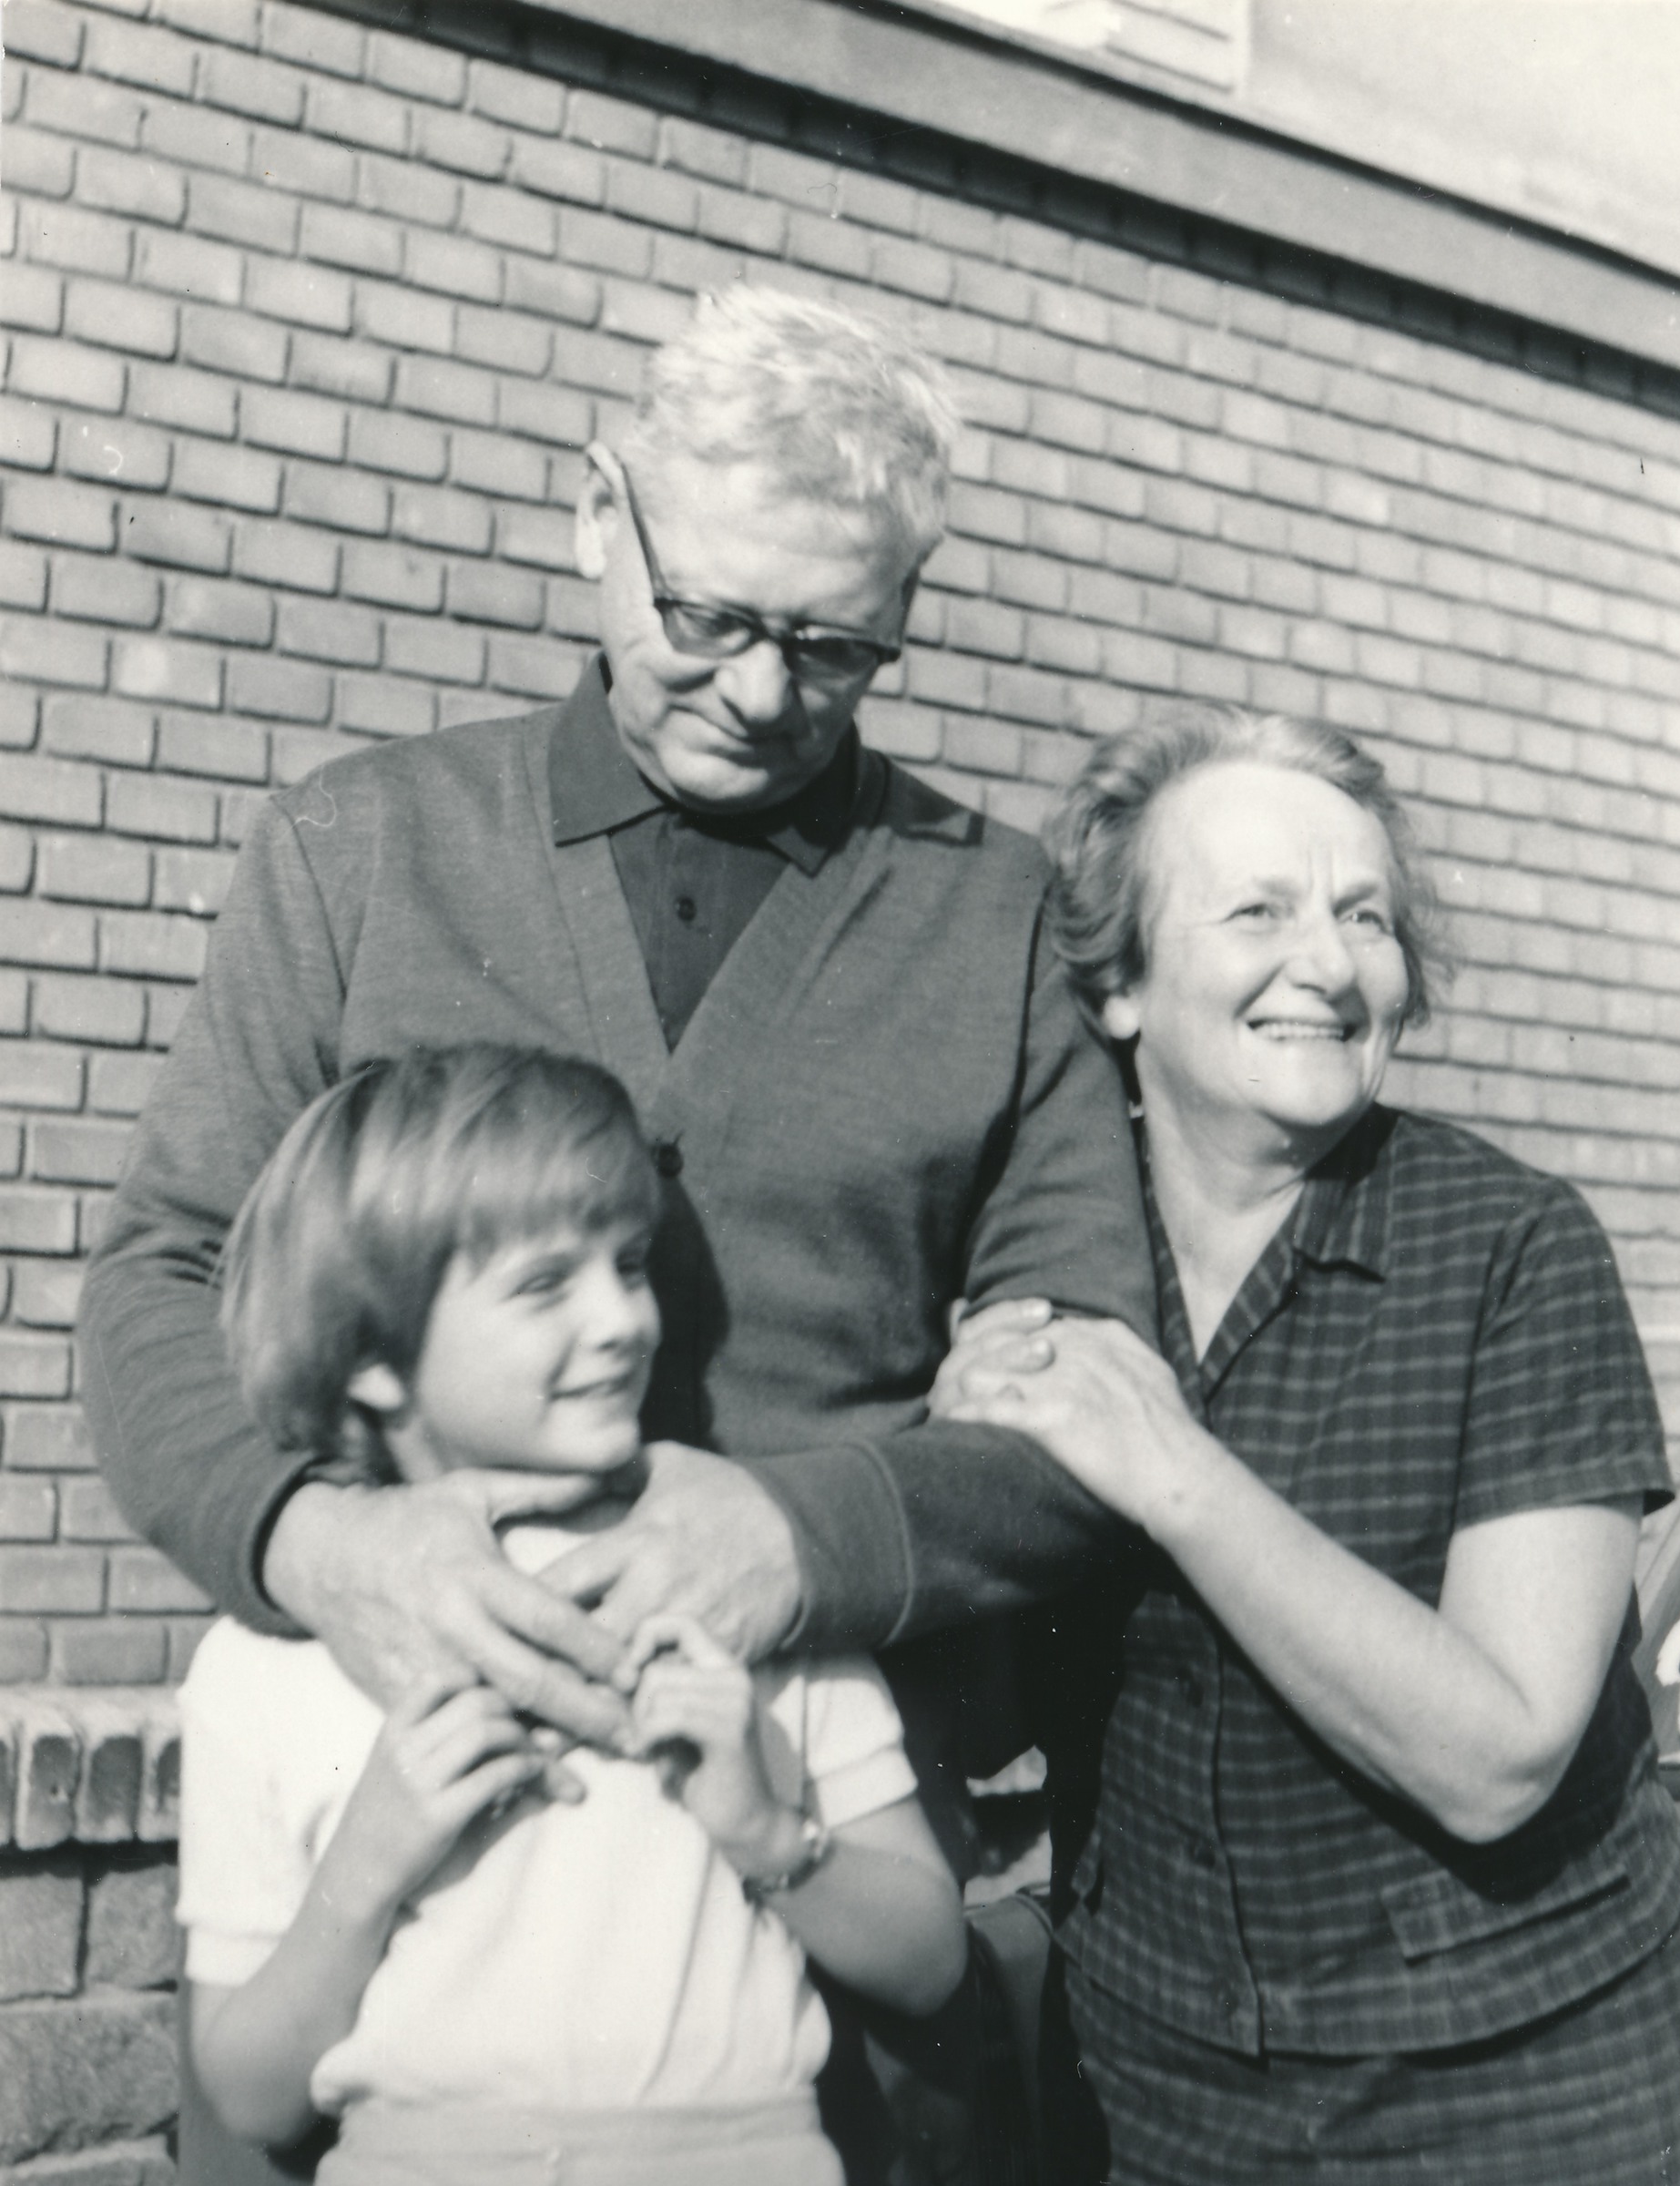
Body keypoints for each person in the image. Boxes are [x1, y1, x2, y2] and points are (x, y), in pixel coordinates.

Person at [78, 286, 1156, 2182]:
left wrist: (797, 1539)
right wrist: (315, 1542)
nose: (762, 692)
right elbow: (162, 1283)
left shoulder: (993, 918)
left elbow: (1098, 1399)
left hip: (831, 1925)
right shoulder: (360, 848)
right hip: (393, 1927)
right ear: (599, 514)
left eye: (836, 646)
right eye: (710, 617)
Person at [937, 703, 1680, 2183]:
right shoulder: (1033, 1259)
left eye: (1363, 916)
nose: (1327, 963)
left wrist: (1171, 1474)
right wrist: (955, 1469)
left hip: (1525, 2106)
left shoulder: (1512, 1248)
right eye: (1257, 911)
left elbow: (1499, 1753)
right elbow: (979, 1726)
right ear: (1115, 983)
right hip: (1163, 2104)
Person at [180, 1046, 966, 2186]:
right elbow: (250, 2096)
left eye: (629, 1262)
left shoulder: (735, 1579)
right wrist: (365, 1869)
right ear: (372, 1355)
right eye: (545, 1284)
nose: (624, 1319)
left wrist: (765, 1832)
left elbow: (930, 1963)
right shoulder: (268, 1664)